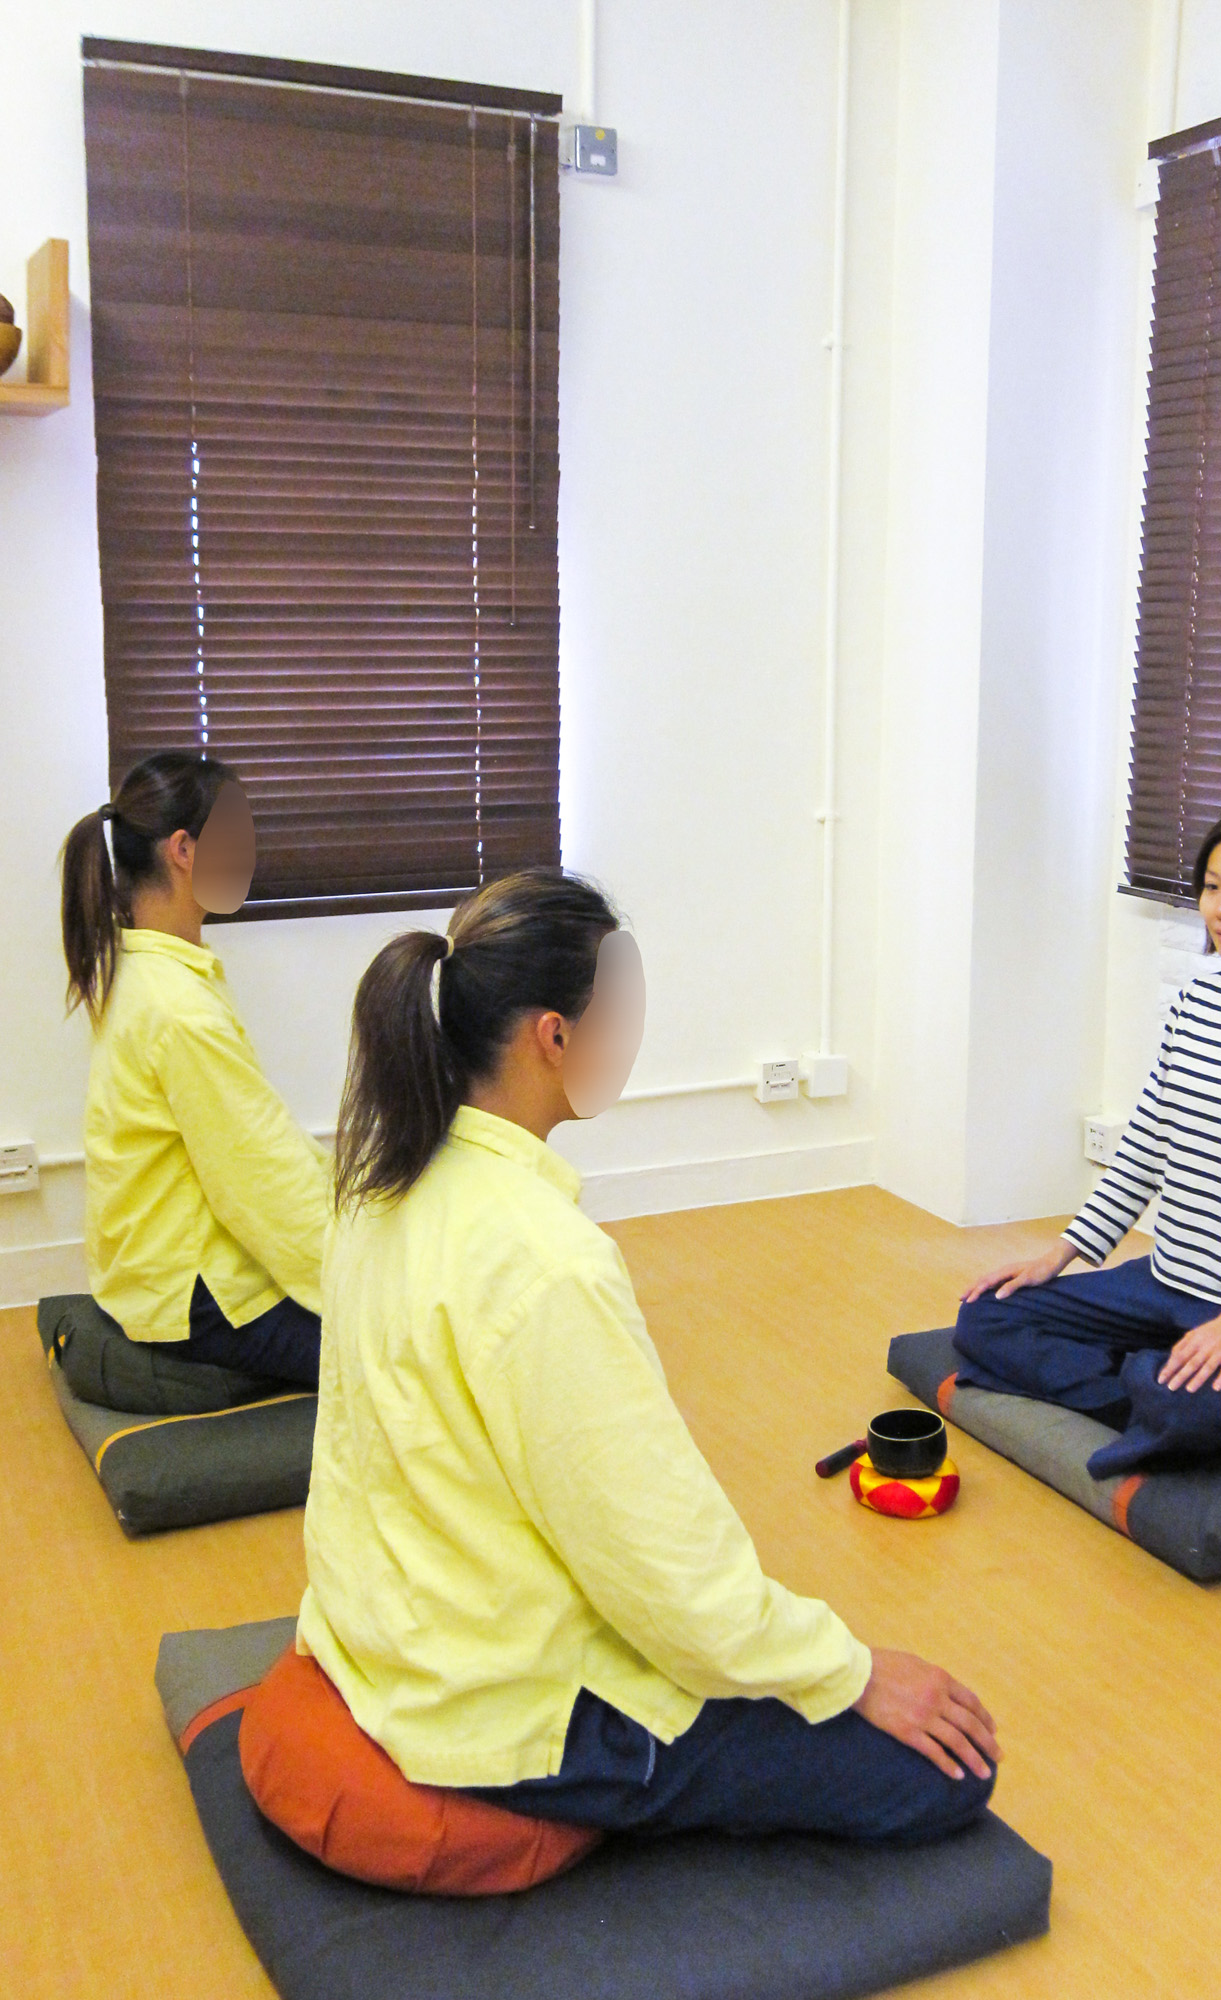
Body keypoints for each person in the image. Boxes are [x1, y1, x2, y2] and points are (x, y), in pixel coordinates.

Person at [297, 867, 998, 1843]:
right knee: (947, 1773)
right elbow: (670, 1581)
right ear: (553, 1033)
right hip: (509, 1711)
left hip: (380, 1635)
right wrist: (853, 1668)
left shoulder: (378, 1185)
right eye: (618, 1007)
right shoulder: (549, 1262)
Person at [956, 800, 1221, 1479]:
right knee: (987, 1317)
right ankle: (1155, 1386)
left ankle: (1189, 1390)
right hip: (1171, 1282)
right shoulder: (1198, 1002)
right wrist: (1060, 1255)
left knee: (1190, 1412)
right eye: (1213, 886)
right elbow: (1145, 1148)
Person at [60, 752, 327, 1386]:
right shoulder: (177, 1008)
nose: (252, 854)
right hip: (195, 1298)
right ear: (185, 849)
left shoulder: (147, 968)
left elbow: (257, 1142)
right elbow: (260, 1182)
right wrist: (367, 1282)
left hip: (149, 1267)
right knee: (410, 1353)